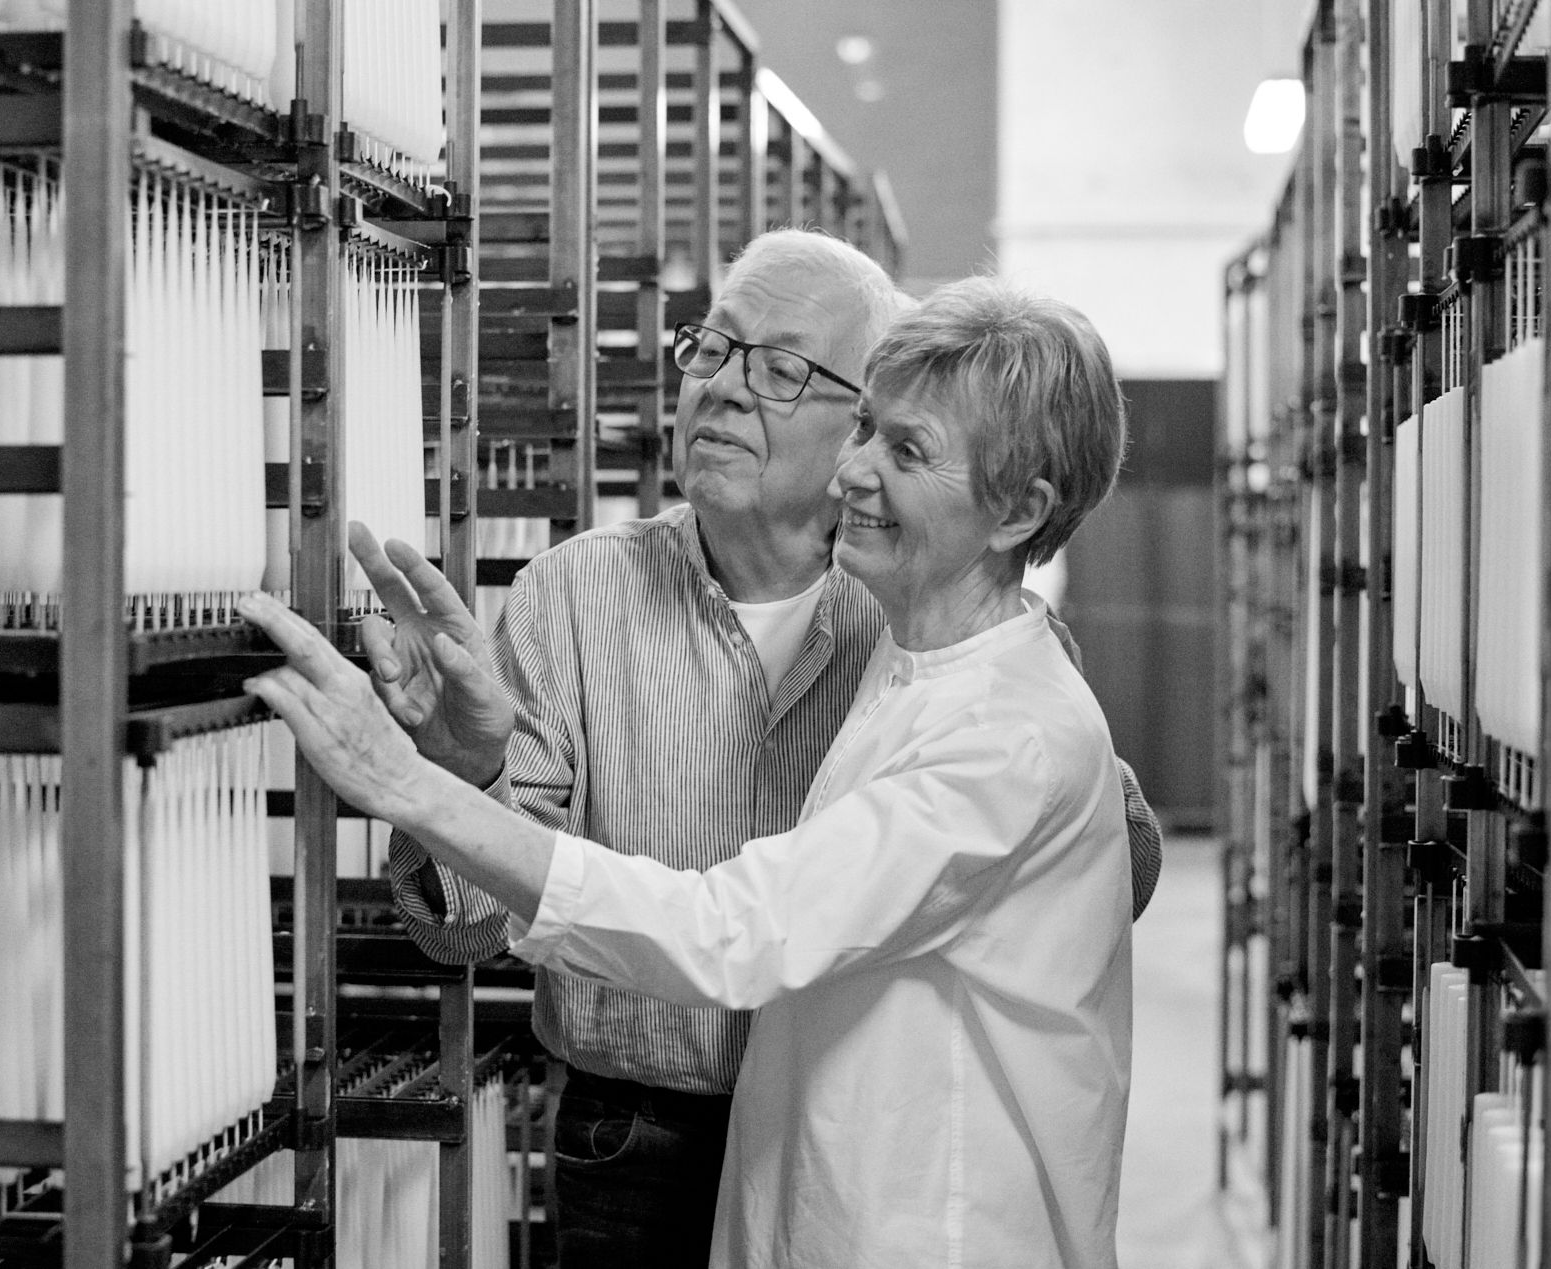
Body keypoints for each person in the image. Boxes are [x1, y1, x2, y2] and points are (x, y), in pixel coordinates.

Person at [241, 275, 1135, 1267]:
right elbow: (470, 923)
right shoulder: (894, 640)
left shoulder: (981, 689)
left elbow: (736, 929)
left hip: (922, 1204)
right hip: (677, 1145)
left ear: (1015, 512)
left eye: (784, 371)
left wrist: (401, 781)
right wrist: (463, 767)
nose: (726, 389)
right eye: (710, 349)